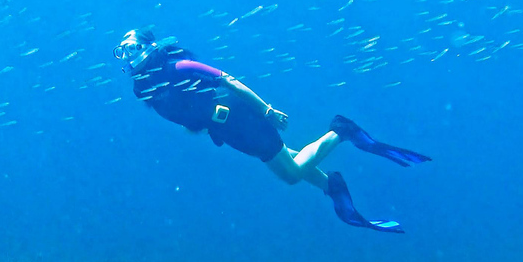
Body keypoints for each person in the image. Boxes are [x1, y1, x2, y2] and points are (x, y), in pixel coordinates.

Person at [113, 28, 431, 232]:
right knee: (287, 159)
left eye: (132, 48)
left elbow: (228, 79)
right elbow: (184, 109)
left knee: (290, 174)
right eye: (123, 52)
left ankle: (340, 131)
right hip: (228, 131)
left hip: (242, 120)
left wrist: (266, 110)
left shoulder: (178, 68)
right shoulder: (145, 88)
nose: (128, 56)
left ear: (149, 47)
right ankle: (331, 186)